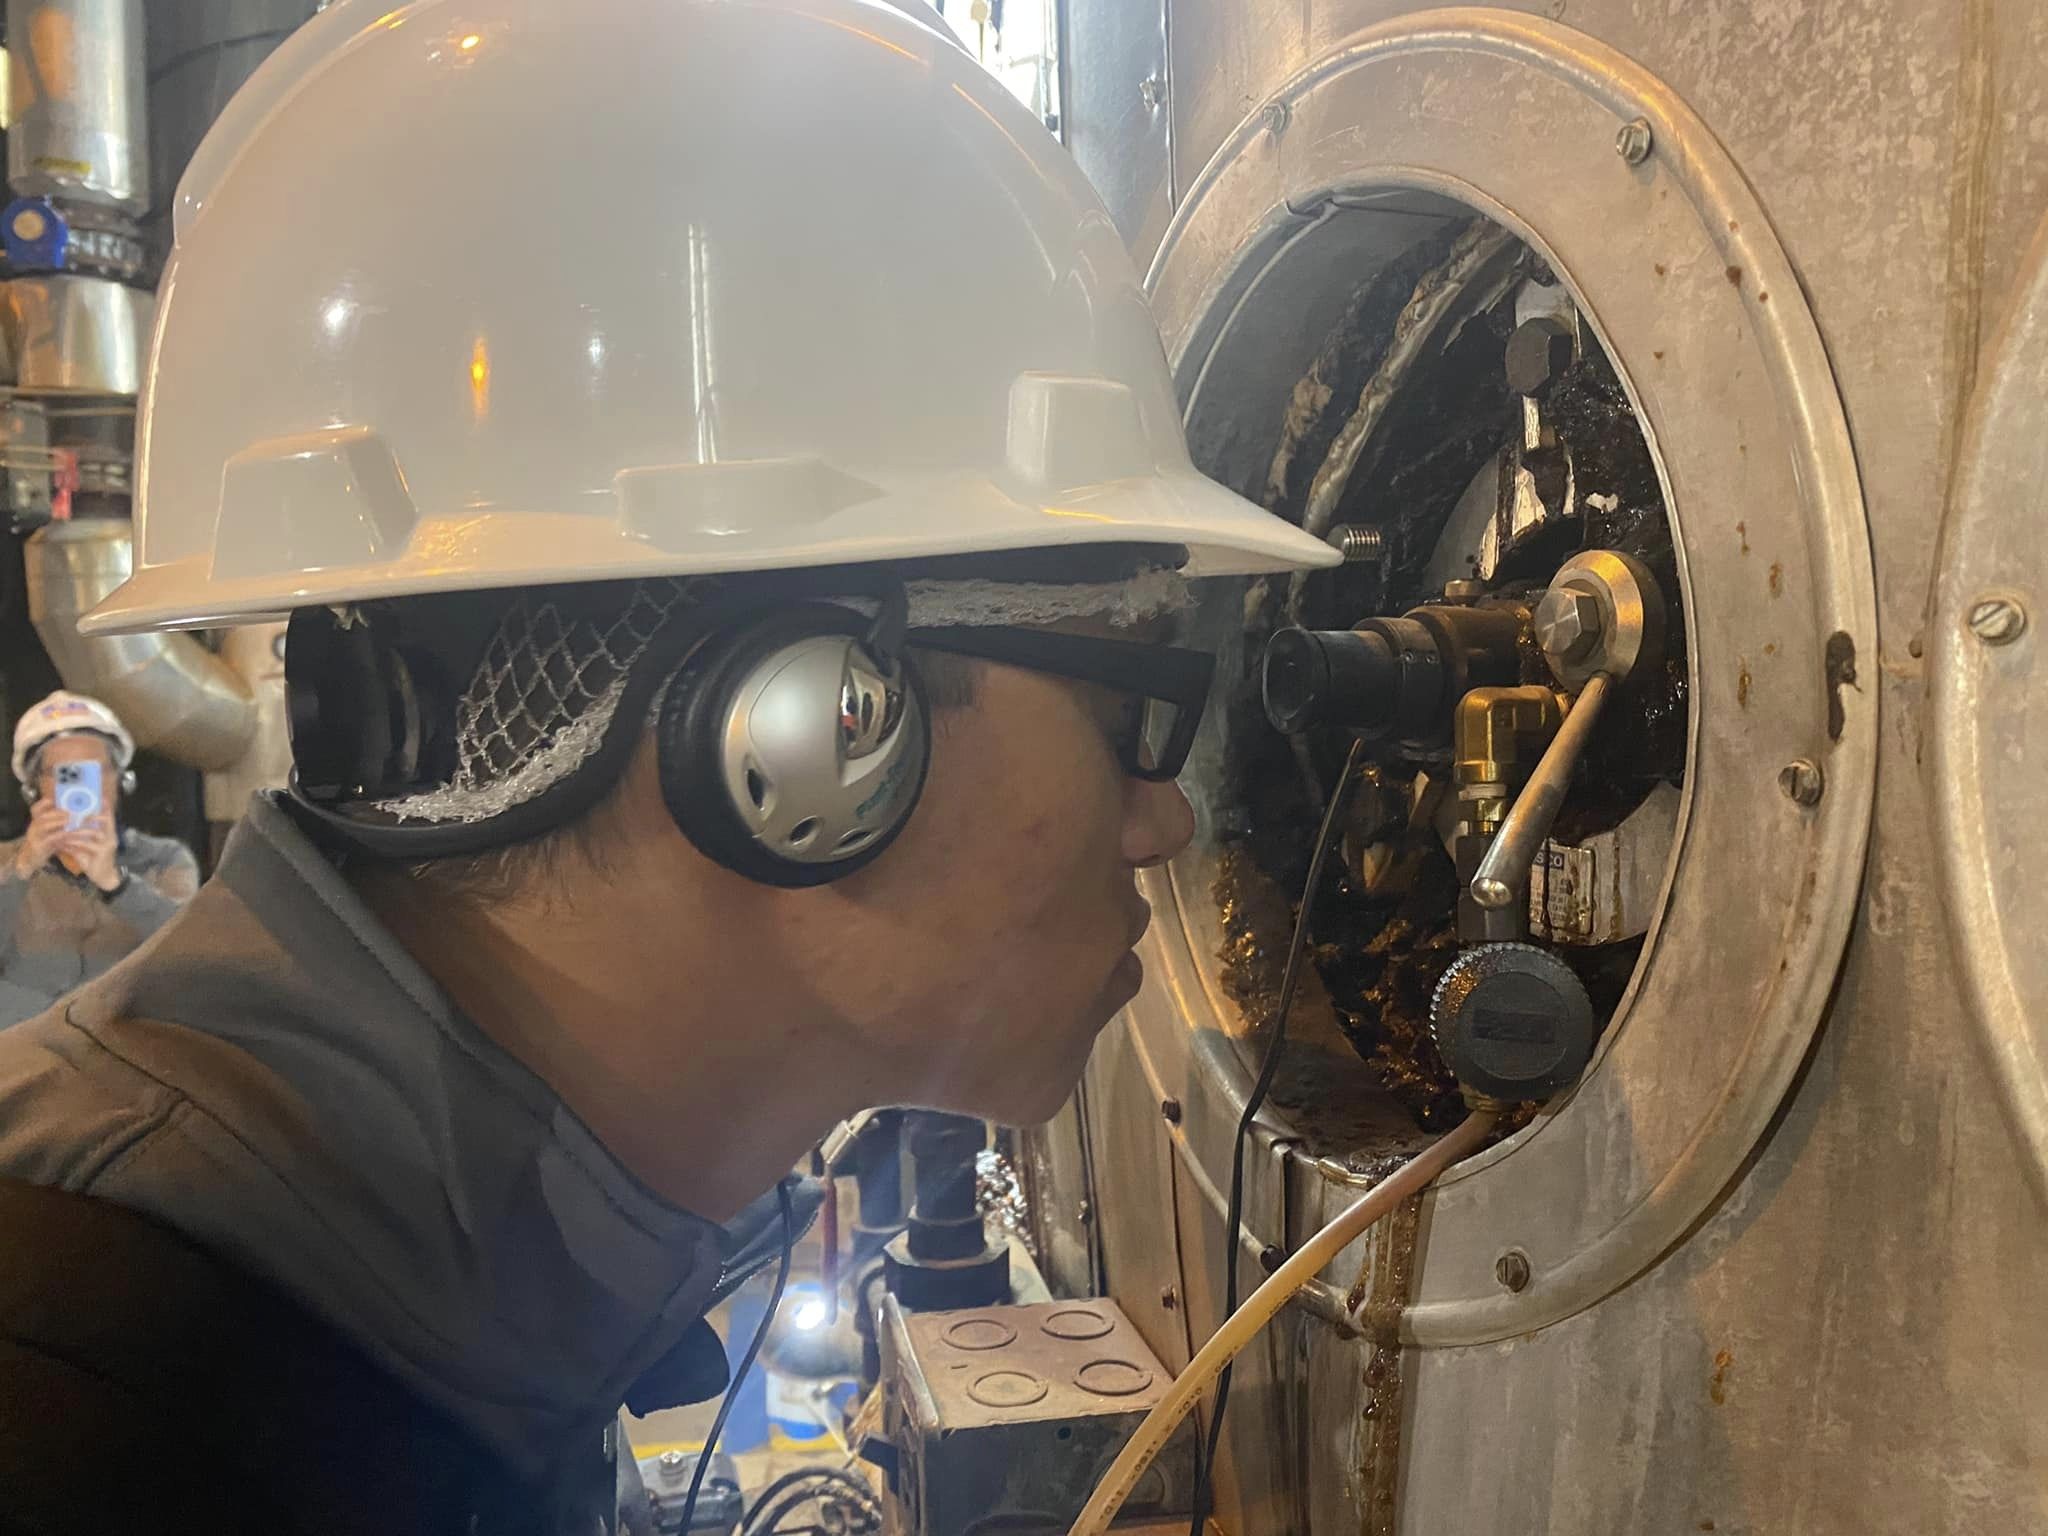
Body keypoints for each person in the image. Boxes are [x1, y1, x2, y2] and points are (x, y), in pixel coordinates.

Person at [0, 2, 1337, 1533]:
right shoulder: (92, 1425)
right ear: (806, 729)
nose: (1162, 819)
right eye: (1137, 707)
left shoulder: (390, 1317)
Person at [0, 691, 198, 1028]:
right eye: (64, 774)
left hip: (119, 1051)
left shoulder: (165, 859)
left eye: (92, 772)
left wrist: (117, 885)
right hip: (20, 1054)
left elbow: (190, 957)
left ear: (122, 782)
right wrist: (22, 869)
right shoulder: (6, 860)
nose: (79, 788)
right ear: (33, 789)